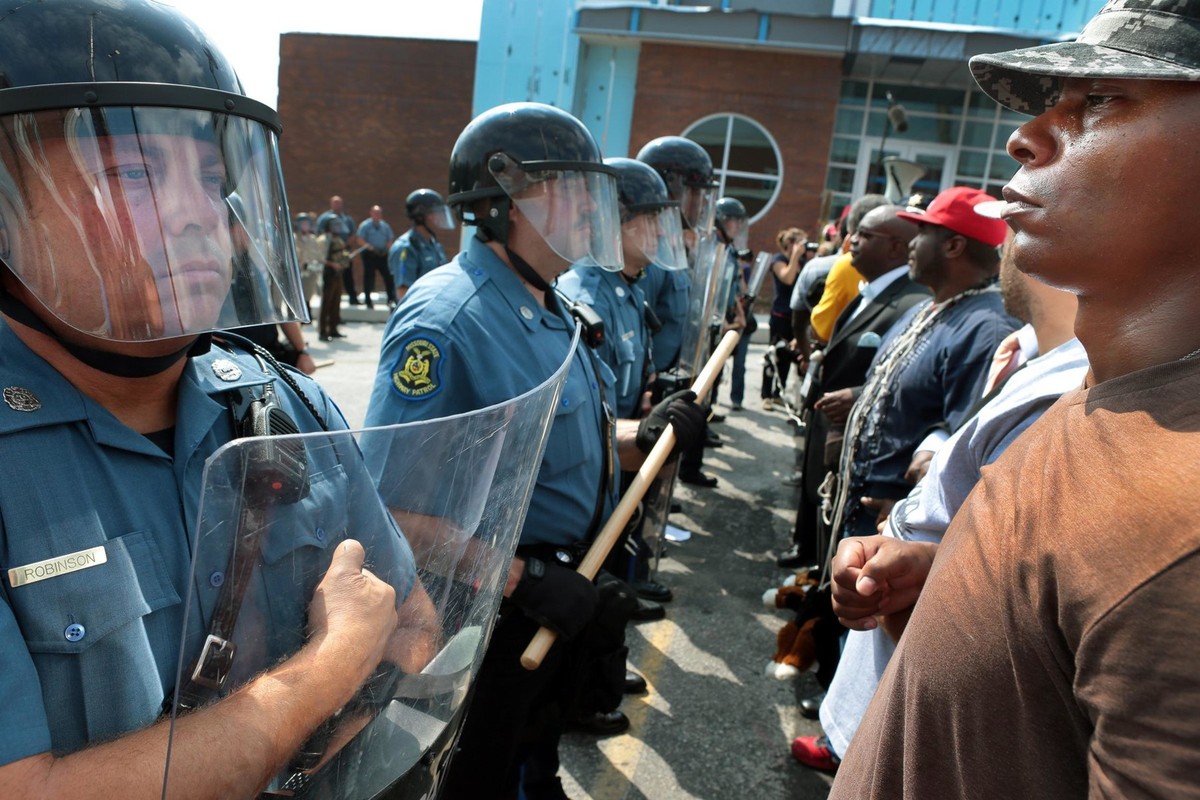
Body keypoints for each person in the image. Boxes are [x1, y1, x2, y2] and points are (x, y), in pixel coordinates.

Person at [0, 1, 437, 795]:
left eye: (211, 177)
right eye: (132, 172)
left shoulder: (287, 405)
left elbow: (412, 627)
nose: (200, 216)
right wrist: (333, 663)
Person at [830, 7, 1200, 792]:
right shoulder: (1110, 392)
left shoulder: (1182, 519)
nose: (1025, 137)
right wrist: (948, 582)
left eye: (1098, 102)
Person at [362, 102, 706, 800]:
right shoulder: (450, 320)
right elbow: (388, 513)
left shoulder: (552, 309)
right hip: (486, 622)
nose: (590, 209)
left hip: (556, 604)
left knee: (530, 768)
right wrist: (523, 578)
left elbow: (558, 448)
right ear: (502, 198)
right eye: (570, 190)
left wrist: (651, 435)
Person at [792, 238, 1086, 773]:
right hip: (896, 659)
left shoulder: (1071, 381)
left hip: (926, 722)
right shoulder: (1025, 347)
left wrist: (939, 566)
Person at [821, 187, 1019, 541]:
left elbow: (965, 441)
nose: (912, 243)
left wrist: (913, 505)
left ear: (954, 246)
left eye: (923, 233)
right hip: (860, 508)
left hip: (895, 523)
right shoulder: (925, 308)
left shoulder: (986, 330)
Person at [761, 227, 808, 411]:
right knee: (774, 354)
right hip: (780, 315)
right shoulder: (778, 260)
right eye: (800, 243)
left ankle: (777, 394)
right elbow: (787, 279)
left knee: (788, 358)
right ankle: (766, 395)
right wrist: (795, 256)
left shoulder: (804, 262)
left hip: (794, 317)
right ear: (790, 244)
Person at [391, 188, 453, 303]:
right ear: (422, 216)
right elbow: (403, 293)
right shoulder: (406, 248)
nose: (441, 218)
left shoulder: (435, 245)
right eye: (436, 213)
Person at [316, 194, 359, 304]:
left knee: (347, 274)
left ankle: (352, 297)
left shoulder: (347, 218)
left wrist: (344, 244)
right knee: (330, 276)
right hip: (330, 251)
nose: (337, 205)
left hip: (344, 249)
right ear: (331, 204)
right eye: (335, 202)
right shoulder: (325, 217)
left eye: (339, 202)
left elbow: (353, 233)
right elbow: (319, 232)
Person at [355, 204, 396, 310]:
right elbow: (360, 239)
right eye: (375, 213)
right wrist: (371, 248)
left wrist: (387, 248)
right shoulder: (365, 225)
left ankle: (391, 299)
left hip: (383, 254)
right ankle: (368, 300)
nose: (377, 215)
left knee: (388, 276)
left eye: (379, 213)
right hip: (370, 255)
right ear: (371, 213)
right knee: (369, 277)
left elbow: (390, 239)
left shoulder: (385, 226)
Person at [293, 211, 326, 320]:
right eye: (303, 223)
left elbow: (318, 254)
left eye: (307, 223)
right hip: (298, 272)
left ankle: (307, 313)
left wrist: (319, 261)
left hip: (311, 271)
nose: (305, 226)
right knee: (297, 295)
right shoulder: (293, 238)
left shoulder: (312, 239)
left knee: (308, 294)